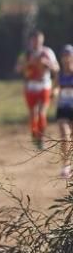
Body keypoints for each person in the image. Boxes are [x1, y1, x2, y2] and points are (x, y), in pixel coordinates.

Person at [15, 30, 59, 150]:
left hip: (44, 85)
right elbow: (18, 69)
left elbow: (56, 68)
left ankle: (41, 138)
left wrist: (47, 64)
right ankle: (35, 134)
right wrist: (29, 63)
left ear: (42, 40)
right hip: (30, 86)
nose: (36, 43)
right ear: (30, 41)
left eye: (39, 41)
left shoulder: (47, 52)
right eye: (34, 41)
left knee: (42, 113)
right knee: (33, 114)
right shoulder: (25, 53)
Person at [55, 44, 73, 178]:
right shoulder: (59, 74)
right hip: (62, 108)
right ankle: (66, 165)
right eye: (64, 56)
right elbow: (55, 87)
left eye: (69, 55)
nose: (66, 58)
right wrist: (54, 93)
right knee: (64, 135)